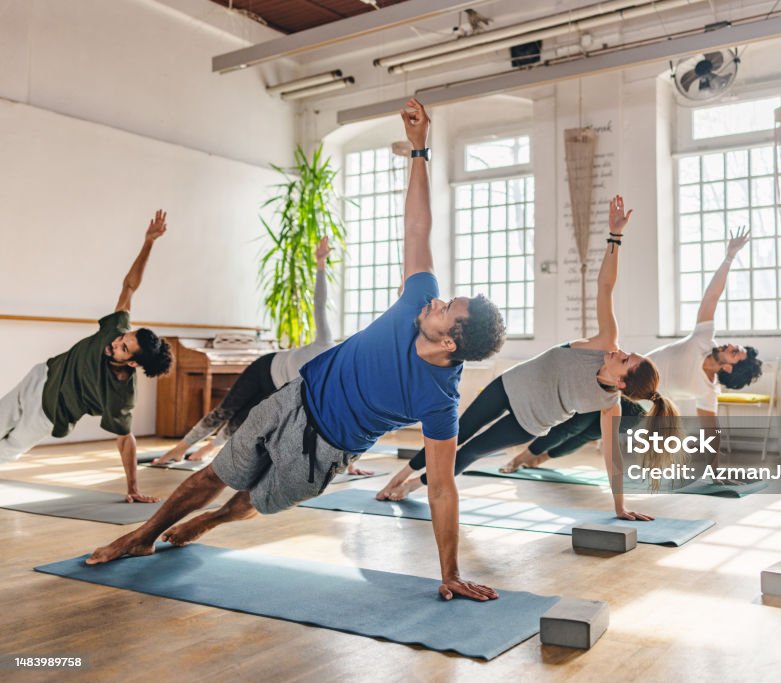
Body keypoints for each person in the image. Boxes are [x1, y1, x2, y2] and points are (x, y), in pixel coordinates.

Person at [87, 100, 508, 602]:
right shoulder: (416, 300)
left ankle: (213, 521)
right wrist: (419, 149)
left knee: (251, 500)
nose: (438, 300)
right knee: (216, 473)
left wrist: (450, 572)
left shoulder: (440, 401)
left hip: (325, 451)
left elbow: (441, 488)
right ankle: (141, 537)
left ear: (450, 342)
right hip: (292, 399)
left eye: (448, 309)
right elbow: (418, 228)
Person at [377, 196, 679, 520]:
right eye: (626, 353)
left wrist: (620, 506)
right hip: (508, 386)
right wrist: (615, 236)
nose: (618, 352)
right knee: (456, 433)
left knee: (471, 452)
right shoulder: (604, 341)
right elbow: (605, 286)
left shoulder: (609, 407)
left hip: (528, 424)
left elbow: (612, 458)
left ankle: (412, 486)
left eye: (623, 360)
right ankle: (395, 479)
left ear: (621, 382)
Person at [501, 229, 759, 473]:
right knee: (575, 425)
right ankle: (522, 458)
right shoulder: (704, 339)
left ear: (728, 368)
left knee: (590, 433)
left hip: (638, 408)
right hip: (621, 380)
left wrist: (714, 469)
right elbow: (712, 297)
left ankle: (543, 457)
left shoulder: (708, 391)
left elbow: (710, 432)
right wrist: (728, 257)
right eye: (735, 346)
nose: (729, 346)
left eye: (734, 353)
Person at [152, 238, 371, 476]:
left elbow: (343, 420)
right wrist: (320, 264)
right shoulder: (326, 342)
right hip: (265, 368)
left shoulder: (338, 381)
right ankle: (179, 448)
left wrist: (351, 464)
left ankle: (210, 447)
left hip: (278, 389)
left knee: (243, 421)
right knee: (225, 411)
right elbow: (319, 304)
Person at [0, 211, 173, 502]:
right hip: (40, 378)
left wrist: (133, 488)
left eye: (124, 347)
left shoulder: (121, 394)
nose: (117, 342)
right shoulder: (114, 329)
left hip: (47, 414)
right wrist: (148, 243)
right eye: (123, 338)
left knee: (7, 450)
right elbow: (129, 286)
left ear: (132, 363)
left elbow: (125, 440)